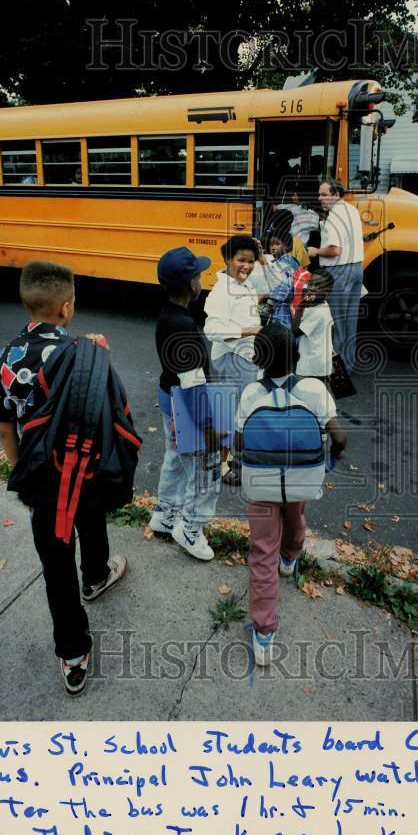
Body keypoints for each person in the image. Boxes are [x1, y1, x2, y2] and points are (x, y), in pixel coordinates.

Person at [0, 260, 127, 697]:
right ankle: (97, 576)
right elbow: (109, 413)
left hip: (42, 479)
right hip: (87, 469)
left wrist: (21, 470)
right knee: (92, 519)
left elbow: (4, 426)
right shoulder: (87, 352)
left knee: (55, 564)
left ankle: (74, 656)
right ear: (66, 307)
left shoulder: (5, 359)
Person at [233, 324, 347, 666]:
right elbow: (339, 438)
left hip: (262, 482)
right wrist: (331, 461)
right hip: (302, 476)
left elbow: (240, 442)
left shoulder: (252, 393)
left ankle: (264, 632)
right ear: (297, 356)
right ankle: (291, 557)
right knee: (296, 515)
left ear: (258, 359)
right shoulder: (314, 389)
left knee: (261, 549)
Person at [151, 247, 222, 561]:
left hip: (169, 400)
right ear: (192, 284)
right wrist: (210, 431)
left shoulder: (168, 314)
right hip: (188, 406)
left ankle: (165, 515)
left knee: (176, 457)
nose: (202, 279)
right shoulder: (184, 328)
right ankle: (190, 529)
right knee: (206, 469)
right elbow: (193, 385)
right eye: (199, 275)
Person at [203, 235, 263, 485]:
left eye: (250, 261)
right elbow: (211, 330)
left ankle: (233, 461)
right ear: (228, 259)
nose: (246, 266)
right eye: (241, 260)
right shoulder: (220, 292)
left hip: (246, 357)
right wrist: (249, 331)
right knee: (233, 414)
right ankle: (225, 465)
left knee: (240, 410)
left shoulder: (243, 284)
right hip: (233, 358)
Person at [308, 180, 364, 374]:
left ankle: (338, 371)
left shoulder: (334, 217)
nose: (319, 198)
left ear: (336, 195)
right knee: (350, 320)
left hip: (339, 271)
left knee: (337, 322)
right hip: (357, 268)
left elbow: (334, 250)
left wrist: (315, 251)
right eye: (319, 194)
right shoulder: (352, 210)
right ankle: (348, 365)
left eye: (324, 195)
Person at [293, 269, 335, 383]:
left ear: (327, 292)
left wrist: (300, 307)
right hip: (321, 361)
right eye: (310, 284)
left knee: (308, 394)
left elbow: (295, 332)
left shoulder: (317, 312)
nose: (311, 288)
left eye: (317, 286)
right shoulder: (324, 305)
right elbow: (332, 329)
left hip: (311, 365)